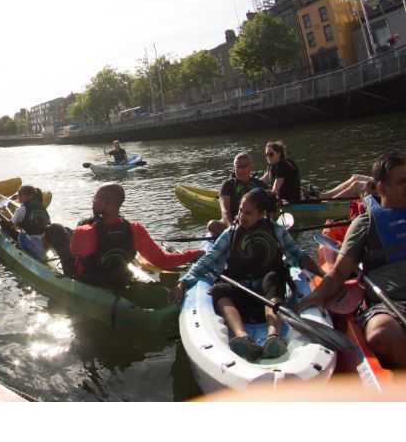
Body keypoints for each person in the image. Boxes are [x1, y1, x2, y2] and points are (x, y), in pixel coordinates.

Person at [174, 188, 323, 361]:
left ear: (261, 214)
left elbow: (298, 256)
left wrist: (322, 275)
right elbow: (208, 260)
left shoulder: (276, 230)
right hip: (241, 295)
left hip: (269, 297)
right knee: (219, 290)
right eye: (240, 211)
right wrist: (183, 282)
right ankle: (242, 337)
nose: (241, 216)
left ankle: (273, 336)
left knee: (274, 278)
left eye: (248, 213)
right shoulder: (230, 233)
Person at [298, 152, 406, 369]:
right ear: (382, 187)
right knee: (381, 333)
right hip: (389, 303)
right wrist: (314, 298)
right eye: (403, 182)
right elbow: (339, 273)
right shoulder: (365, 225)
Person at [46, 183, 201, 288]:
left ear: (106, 203)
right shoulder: (135, 228)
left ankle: (38, 252)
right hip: (121, 279)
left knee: (56, 228)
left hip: (88, 280)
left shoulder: (85, 230)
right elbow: (162, 261)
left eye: (96, 198)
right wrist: (194, 254)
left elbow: (74, 253)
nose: (93, 201)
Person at [208, 153, 268, 237]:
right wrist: (232, 228)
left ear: (251, 166)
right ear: (234, 168)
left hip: (254, 222)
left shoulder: (260, 184)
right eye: (238, 167)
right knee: (212, 225)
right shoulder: (228, 185)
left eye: (244, 166)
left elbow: (269, 207)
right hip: (233, 223)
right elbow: (225, 211)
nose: (240, 170)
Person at [0, 185, 51, 260]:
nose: (19, 197)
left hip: (31, 242)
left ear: (29, 196)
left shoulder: (21, 210)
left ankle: (21, 249)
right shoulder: (41, 206)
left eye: (20, 195)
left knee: (10, 228)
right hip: (44, 240)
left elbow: (10, 224)